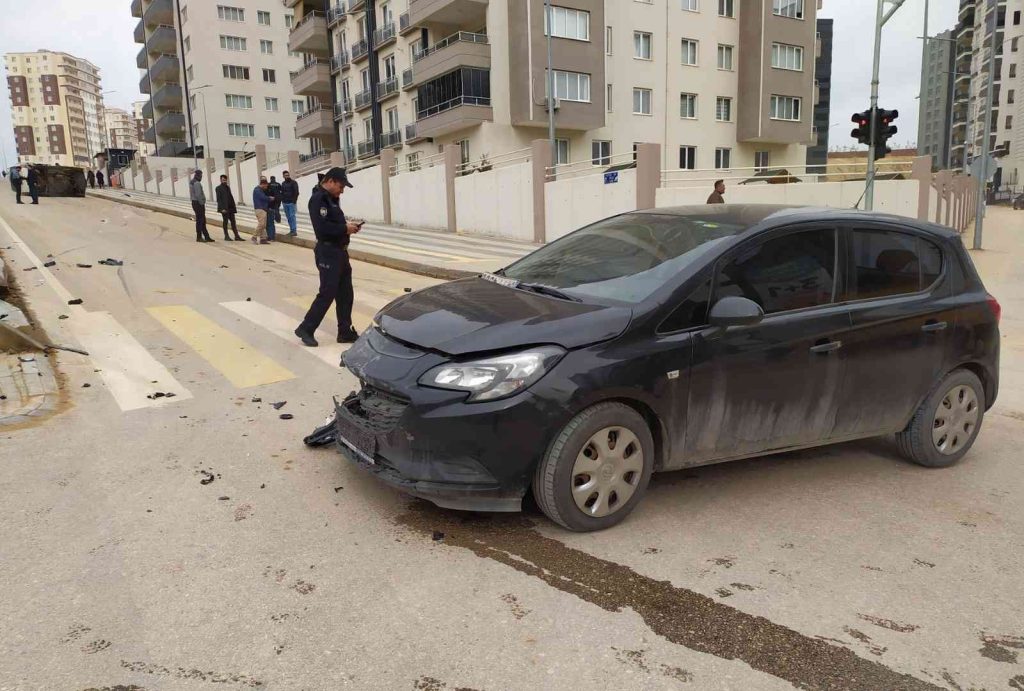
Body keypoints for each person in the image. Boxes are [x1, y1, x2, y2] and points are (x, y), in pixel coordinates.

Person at [294, 168, 361, 348]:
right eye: (341, 186)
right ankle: (306, 328)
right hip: (328, 252)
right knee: (327, 292)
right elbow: (322, 229)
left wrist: (348, 227)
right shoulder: (318, 199)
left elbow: (335, 223)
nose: (342, 190)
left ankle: (344, 331)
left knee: (346, 293)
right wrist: (344, 229)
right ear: (330, 181)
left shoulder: (332, 199)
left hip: (340, 252)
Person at [216, 174, 243, 241]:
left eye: (225, 180)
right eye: (223, 180)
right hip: (224, 209)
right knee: (225, 222)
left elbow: (230, 197)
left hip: (230, 208)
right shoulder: (218, 188)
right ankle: (226, 236)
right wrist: (222, 209)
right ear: (220, 180)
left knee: (233, 222)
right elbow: (219, 199)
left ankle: (236, 236)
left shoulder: (228, 187)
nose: (224, 181)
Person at [190, 170, 213, 242]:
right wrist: (202, 202)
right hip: (198, 203)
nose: (201, 177)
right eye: (201, 175)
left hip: (194, 202)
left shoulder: (192, 182)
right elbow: (198, 194)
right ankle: (199, 237)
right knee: (200, 220)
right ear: (198, 175)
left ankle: (206, 236)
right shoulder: (197, 183)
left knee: (202, 220)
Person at [251, 177, 272, 245]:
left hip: (262, 209)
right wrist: (269, 198)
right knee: (261, 224)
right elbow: (263, 197)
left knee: (263, 225)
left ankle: (263, 239)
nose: (266, 187)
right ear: (263, 184)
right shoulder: (257, 190)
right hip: (260, 208)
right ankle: (254, 236)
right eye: (266, 186)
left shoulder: (259, 190)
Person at [281, 171, 299, 236]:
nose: (287, 176)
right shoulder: (283, 183)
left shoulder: (294, 182)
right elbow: (282, 192)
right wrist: (282, 201)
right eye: (285, 175)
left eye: (288, 175)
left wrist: (294, 201)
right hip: (285, 203)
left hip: (291, 203)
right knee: (288, 217)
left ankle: (294, 231)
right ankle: (291, 230)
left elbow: (296, 192)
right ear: (283, 176)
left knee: (292, 217)